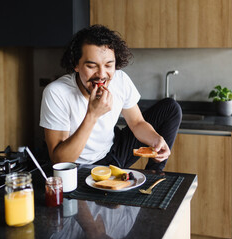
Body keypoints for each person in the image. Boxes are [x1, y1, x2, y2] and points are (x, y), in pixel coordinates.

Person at [40, 24, 181, 171]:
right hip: (77, 167)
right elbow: (59, 160)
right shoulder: (56, 93)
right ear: (76, 64)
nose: (101, 74)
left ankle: (155, 174)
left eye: (108, 65)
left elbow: (137, 123)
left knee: (171, 108)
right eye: (92, 66)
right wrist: (92, 115)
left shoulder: (120, 79)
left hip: (113, 154)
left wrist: (156, 140)